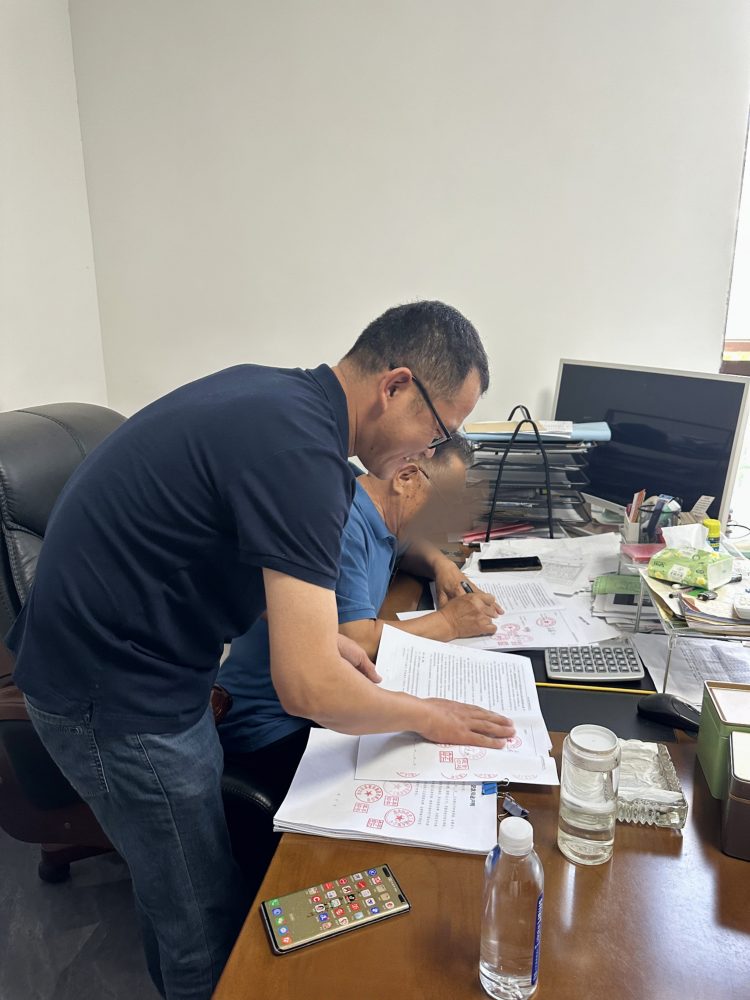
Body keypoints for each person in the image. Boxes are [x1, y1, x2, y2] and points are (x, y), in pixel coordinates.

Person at [7, 300, 515, 1000]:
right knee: (201, 917)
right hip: (112, 692)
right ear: (396, 386)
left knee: (177, 887)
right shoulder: (302, 457)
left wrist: (325, 639)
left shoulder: (286, 406)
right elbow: (306, 689)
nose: (428, 455)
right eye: (437, 432)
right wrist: (430, 715)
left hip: (141, 665)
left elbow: (257, 578)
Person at [216, 435, 501, 801]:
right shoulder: (344, 523)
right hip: (270, 726)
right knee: (419, 772)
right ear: (406, 478)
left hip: (304, 707)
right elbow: (357, 639)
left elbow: (406, 546)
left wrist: (440, 565)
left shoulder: (368, 497)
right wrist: (451, 623)